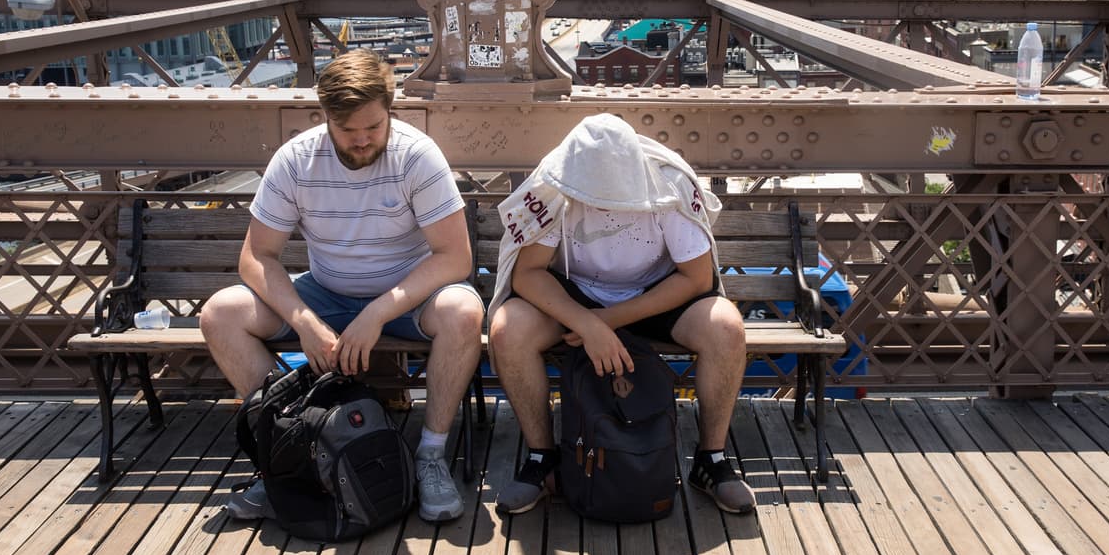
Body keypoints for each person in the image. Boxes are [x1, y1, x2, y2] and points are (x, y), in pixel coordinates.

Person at [200, 49, 484, 523]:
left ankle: (430, 455)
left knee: (464, 312)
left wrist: (378, 313)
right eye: (347, 130)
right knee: (220, 314)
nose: (361, 140)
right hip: (325, 292)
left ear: (390, 109)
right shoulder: (295, 159)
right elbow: (255, 257)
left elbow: (455, 258)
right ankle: (292, 449)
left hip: (407, 296)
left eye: (373, 127)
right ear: (325, 116)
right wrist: (303, 322)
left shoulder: (416, 156)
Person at [488, 114, 756, 515]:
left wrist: (608, 322)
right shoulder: (555, 187)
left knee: (727, 327)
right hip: (575, 292)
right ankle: (543, 458)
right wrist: (586, 322)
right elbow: (527, 273)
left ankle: (711, 459)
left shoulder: (669, 186)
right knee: (508, 331)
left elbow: (697, 278)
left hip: (657, 291)